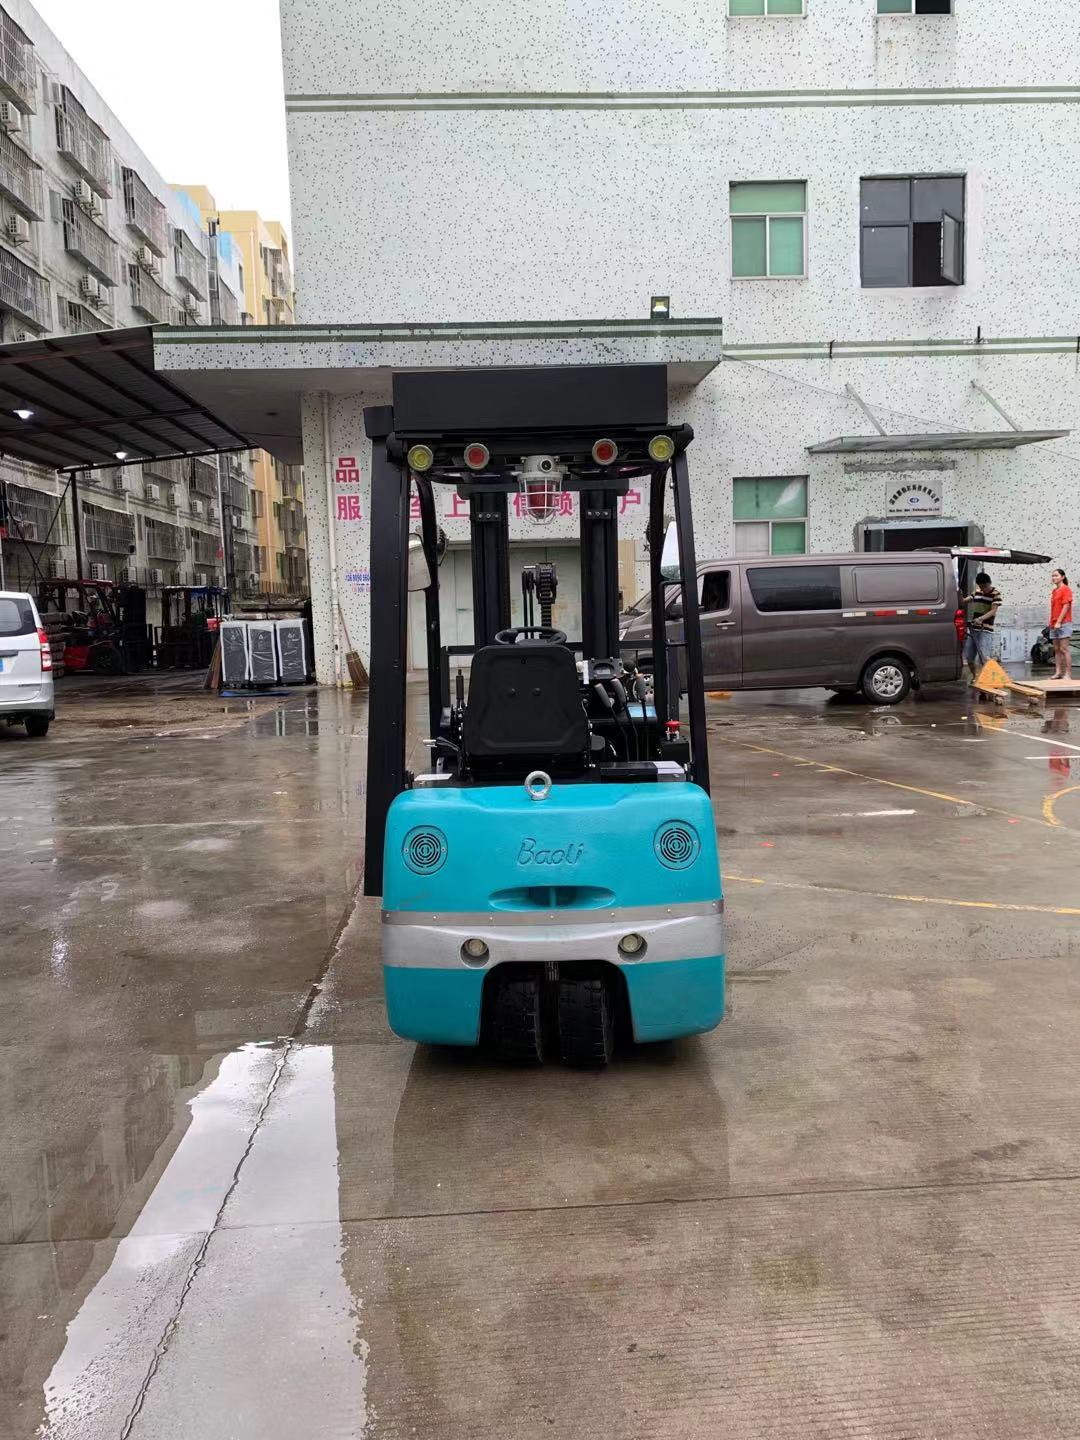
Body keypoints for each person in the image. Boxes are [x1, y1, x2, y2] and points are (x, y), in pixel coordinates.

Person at [962, 571, 1002, 679]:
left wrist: (980, 619)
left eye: (984, 586)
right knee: (969, 656)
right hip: (974, 629)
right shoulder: (977, 592)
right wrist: (960, 599)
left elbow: (993, 611)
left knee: (984, 657)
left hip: (986, 629)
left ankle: (993, 677)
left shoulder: (996, 594)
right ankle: (975, 677)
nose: (983, 589)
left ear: (989, 583)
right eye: (980, 586)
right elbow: (967, 599)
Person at [1049, 567, 1074, 681]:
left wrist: (1059, 621)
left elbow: (1066, 606)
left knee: (1064, 648)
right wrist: (1052, 623)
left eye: (1056, 575)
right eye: (1053, 576)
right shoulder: (1055, 591)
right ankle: (1058, 672)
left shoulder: (1066, 589)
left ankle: (1068, 674)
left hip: (1064, 623)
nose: (1054, 577)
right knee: (1057, 649)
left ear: (1062, 577)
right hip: (1053, 623)